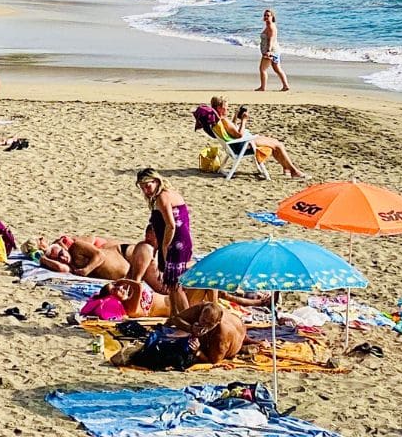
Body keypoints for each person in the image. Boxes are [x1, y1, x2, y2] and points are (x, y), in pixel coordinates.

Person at [129, 169, 193, 314]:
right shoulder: (171, 194)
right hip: (181, 241)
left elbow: (171, 225)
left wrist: (165, 246)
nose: (146, 190)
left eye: (148, 185)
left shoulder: (162, 197)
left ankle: (186, 319)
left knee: (176, 285)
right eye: (142, 187)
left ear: (156, 181)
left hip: (175, 243)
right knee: (172, 284)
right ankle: (175, 317)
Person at [208, 97, 306, 177]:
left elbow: (232, 131)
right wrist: (244, 120)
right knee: (278, 145)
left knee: (275, 142)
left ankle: (286, 167)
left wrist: (235, 116)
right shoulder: (223, 120)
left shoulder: (217, 120)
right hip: (243, 144)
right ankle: (293, 171)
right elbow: (239, 135)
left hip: (236, 144)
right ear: (219, 108)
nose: (227, 109)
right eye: (225, 107)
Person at [166, 302, 247, 364]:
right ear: (201, 313)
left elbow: (213, 361)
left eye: (209, 324)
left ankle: (243, 345)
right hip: (233, 323)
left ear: (217, 323)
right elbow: (175, 319)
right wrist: (190, 328)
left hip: (237, 331)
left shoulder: (221, 336)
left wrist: (198, 352)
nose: (204, 325)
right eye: (203, 320)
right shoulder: (201, 308)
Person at [256, 9, 288, 92]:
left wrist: (268, 51)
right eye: (265, 15)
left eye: (268, 15)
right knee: (277, 69)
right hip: (275, 51)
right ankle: (285, 85)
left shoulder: (271, 27)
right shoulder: (269, 25)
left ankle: (262, 87)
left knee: (262, 69)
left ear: (272, 17)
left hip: (271, 51)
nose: (266, 17)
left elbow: (271, 39)